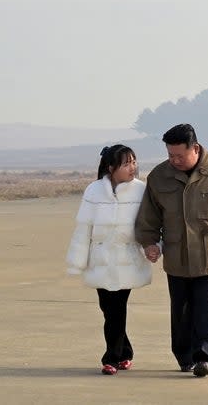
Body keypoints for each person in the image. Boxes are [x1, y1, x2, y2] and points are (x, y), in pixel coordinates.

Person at [136, 124, 208, 378]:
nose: (174, 160)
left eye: (179, 156)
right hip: (177, 256)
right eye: (170, 155)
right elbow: (149, 215)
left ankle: (204, 356)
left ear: (195, 148)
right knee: (181, 309)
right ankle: (185, 357)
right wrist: (150, 243)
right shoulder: (159, 176)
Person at [66, 144, 152, 375]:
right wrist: (77, 261)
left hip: (127, 260)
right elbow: (84, 229)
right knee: (108, 308)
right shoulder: (93, 191)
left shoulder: (141, 191)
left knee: (116, 308)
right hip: (100, 260)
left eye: (134, 161)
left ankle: (111, 358)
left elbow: (149, 225)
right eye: (126, 163)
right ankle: (125, 351)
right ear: (111, 167)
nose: (133, 167)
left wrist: (152, 248)